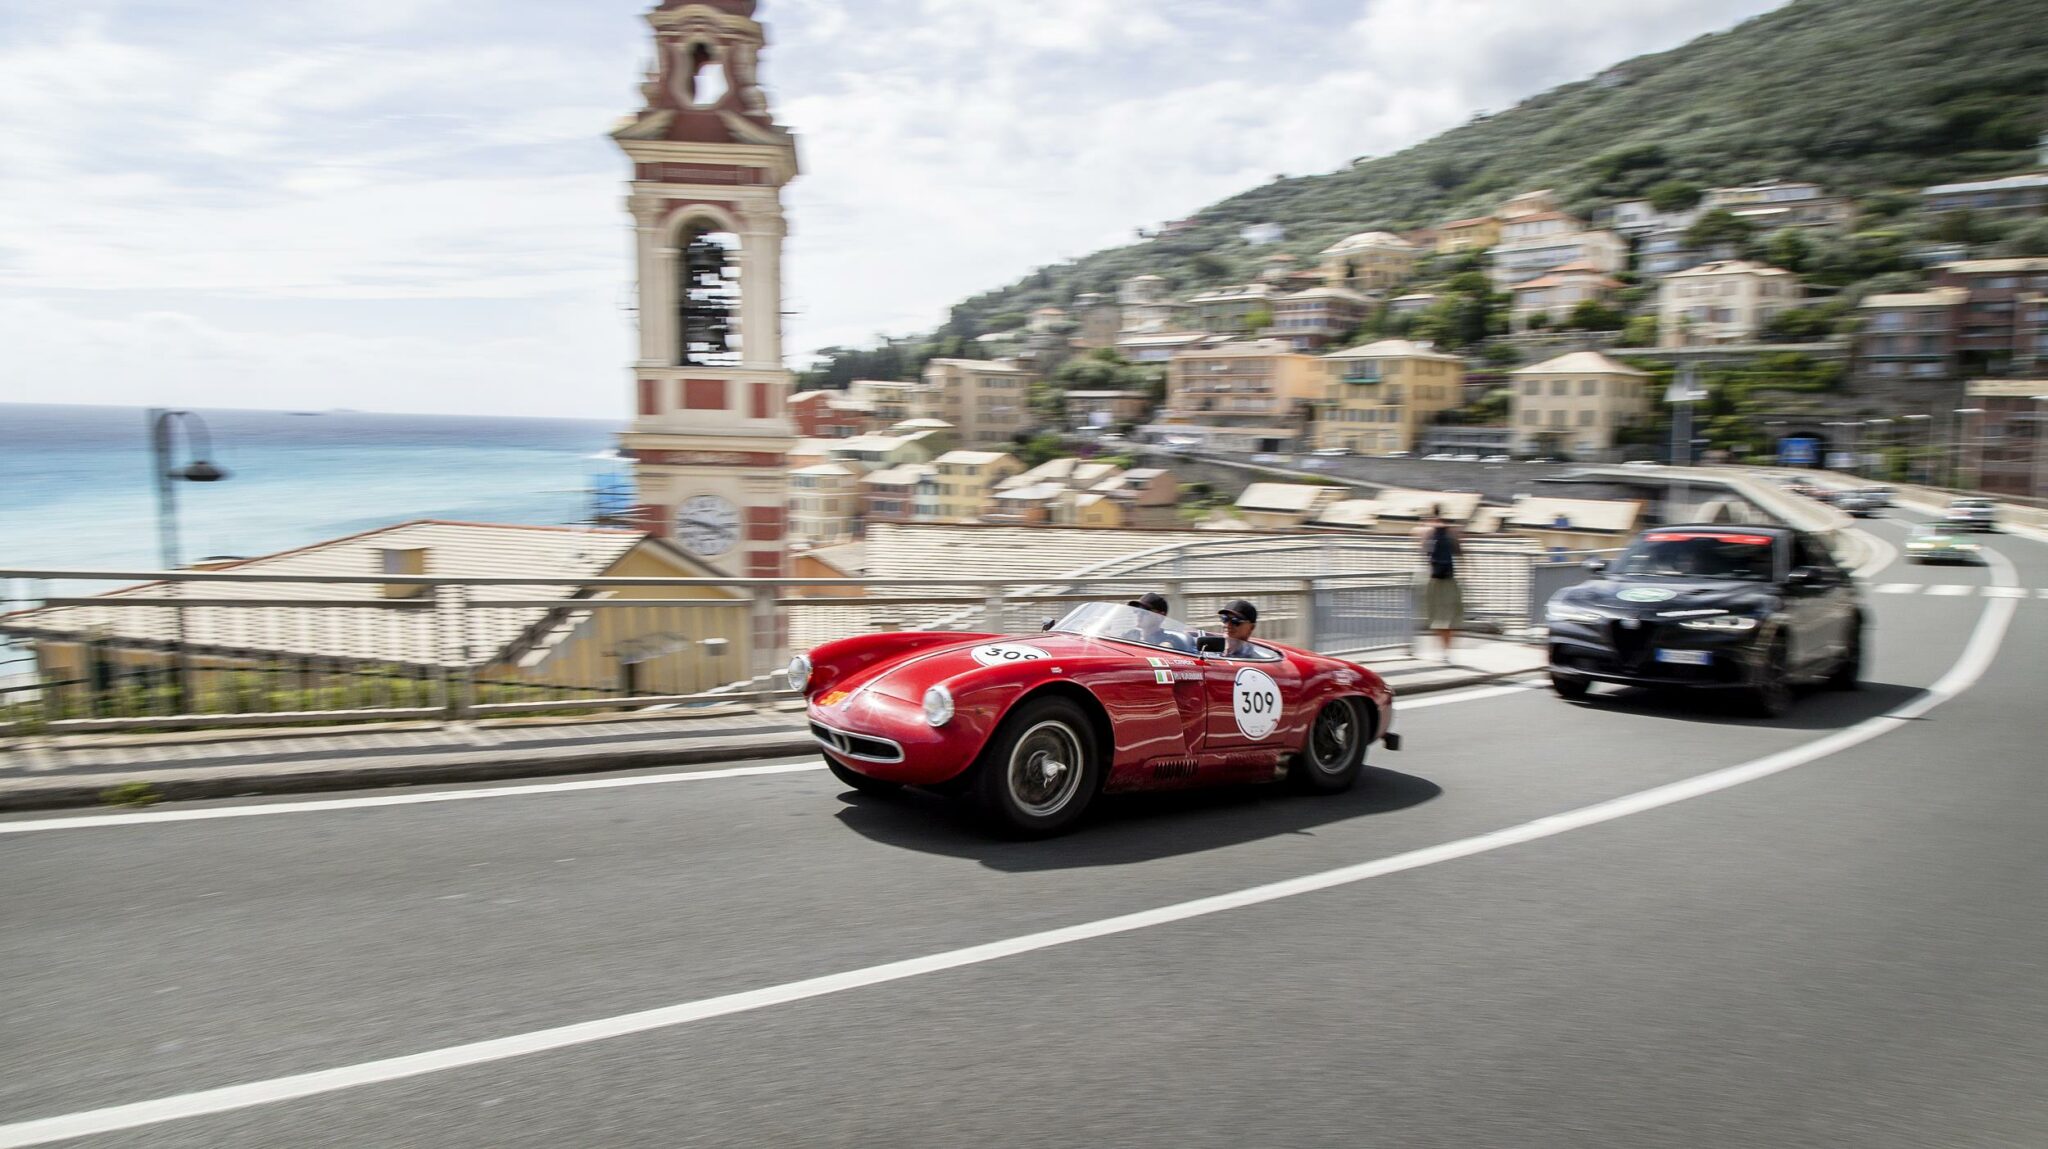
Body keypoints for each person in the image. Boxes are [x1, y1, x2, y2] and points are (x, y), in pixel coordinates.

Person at [1415, 506, 1462, 661]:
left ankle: (1439, 650)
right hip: (1449, 579)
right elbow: (1460, 552)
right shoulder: (1452, 532)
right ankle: (1446, 651)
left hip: (1433, 579)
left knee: (1434, 615)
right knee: (1450, 616)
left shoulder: (1426, 532)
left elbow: (1422, 551)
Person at [1124, 592, 1195, 652]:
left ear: (1160, 616)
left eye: (1144, 611)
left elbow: (1168, 647)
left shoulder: (1170, 639)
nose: (1138, 614)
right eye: (1136, 610)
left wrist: (1167, 646)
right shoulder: (1130, 634)